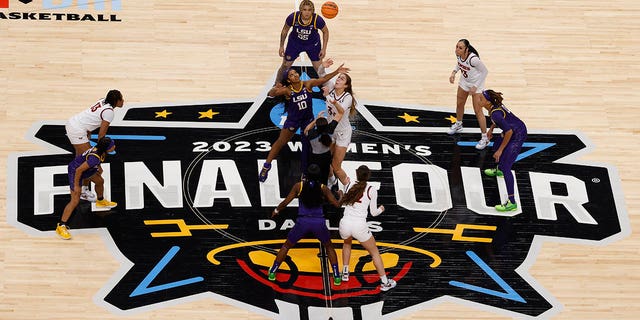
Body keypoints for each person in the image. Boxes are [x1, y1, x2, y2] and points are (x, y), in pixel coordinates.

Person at [259, 64, 349, 183]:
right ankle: (266, 166)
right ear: (288, 80)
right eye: (291, 75)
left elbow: (323, 79)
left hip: (307, 120)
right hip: (293, 120)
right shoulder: (287, 90)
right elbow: (270, 94)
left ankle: (305, 174)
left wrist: (336, 71)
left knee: (307, 147)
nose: (295, 75)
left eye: (295, 73)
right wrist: (275, 87)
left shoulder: (307, 84)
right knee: (280, 142)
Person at [267, 164, 343, 285]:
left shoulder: (299, 186)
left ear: (305, 175)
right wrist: (341, 196)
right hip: (318, 222)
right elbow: (337, 205)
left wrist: (276, 210)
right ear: (319, 176)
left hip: (302, 222)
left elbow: (286, 201)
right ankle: (337, 276)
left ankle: (273, 271)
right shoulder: (323, 188)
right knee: (329, 246)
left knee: (286, 246)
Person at [338, 165, 396, 291]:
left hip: (345, 223)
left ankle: (345, 273)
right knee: (374, 253)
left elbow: (343, 199)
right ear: (368, 176)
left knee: (347, 244)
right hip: (359, 225)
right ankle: (385, 282)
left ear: (356, 174)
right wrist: (381, 208)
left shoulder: (348, 184)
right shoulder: (371, 189)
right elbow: (374, 213)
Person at [65, 89, 124, 201]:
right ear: (116, 101)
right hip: (77, 130)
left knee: (81, 160)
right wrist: (100, 153)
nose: (123, 101)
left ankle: (84, 189)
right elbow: (101, 135)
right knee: (91, 165)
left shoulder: (103, 101)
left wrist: (88, 131)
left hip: (76, 124)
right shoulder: (109, 112)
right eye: (121, 99)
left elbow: (90, 116)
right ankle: (80, 190)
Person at [55, 137, 118, 240]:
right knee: (75, 201)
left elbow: (90, 164)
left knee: (99, 181)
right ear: (105, 148)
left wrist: (99, 168)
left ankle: (100, 201)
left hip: (86, 169)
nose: (114, 147)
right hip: (75, 171)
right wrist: (76, 185)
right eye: (112, 146)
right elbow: (79, 170)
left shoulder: (99, 151)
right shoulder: (94, 158)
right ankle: (61, 226)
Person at [480, 89, 528, 212]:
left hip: (517, 134)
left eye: (481, 98)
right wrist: (491, 129)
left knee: (506, 166)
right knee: (495, 145)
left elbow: (509, 132)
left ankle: (512, 202)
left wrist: (501, 151)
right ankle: (499, 170)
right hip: (513, 128)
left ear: (488, 102)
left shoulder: (495, 113)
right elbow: (499, 120)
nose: (479, 100)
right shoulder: (494, 108)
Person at [318, 60, 357, 188]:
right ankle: (332, 180)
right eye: (338, 78)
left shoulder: (348, 97)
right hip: (331, 130)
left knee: (336, 166)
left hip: (342, 133)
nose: (338, 80)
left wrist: (328, 97)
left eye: (341, 79)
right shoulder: (331, 88)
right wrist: (322, 67)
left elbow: (340, 110)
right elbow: (321, 76)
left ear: (346, 86)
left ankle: (348, 187)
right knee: (324, 160)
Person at [447, 39, 490, 150]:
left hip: (476, 84)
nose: (457, 49)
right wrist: (453, 72)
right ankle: (459, 124)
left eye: (460, 48)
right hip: (464, 82)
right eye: (456, 46)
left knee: (478, 111)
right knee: (459, 104)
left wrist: (475, 86)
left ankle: (485, 138)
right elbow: (459, 64)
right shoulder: (459, 55)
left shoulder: (473, 59)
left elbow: (485, 71)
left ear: (466, 49)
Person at [275, 0, 329, 85]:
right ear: (300, 10)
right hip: (295, 44)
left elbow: (325, 31)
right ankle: (277, 84)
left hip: (313, 45)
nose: (307, 12)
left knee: (320, 69)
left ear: (312, 11)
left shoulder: (317, 19)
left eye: (309, 10)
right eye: (304, 9)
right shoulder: (292, 17)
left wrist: (324, 48)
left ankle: (328, 88)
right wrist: (281, 46)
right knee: (285, 66)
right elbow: (285, 31)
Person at [303, 98, 344, 185]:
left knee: (314, 173)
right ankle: (328, 186)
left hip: (315, 158)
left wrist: (316, 119)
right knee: (325, 174)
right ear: (327, 124)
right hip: (326, 156)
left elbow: (306, 130)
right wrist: (335, 103)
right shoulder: (330, 129)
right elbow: (341, 113)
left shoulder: (312, 134)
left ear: (317, 126)